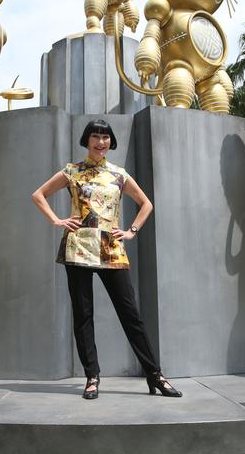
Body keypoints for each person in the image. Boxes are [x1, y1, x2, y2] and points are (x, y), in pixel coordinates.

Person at [31, 119, 182, 400]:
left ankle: (155, 375)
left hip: (111, 249)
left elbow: (146, 203)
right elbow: (38, 195)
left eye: (105, 137)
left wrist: (131, 231)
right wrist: (57, 220)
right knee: (83, 316)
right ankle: (92, 376)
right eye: (95, 136)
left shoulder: (118, 174)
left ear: (111, 142)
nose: (101, 142)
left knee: (131, 315)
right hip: (77, 249)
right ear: (87, 140)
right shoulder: (72, 171)